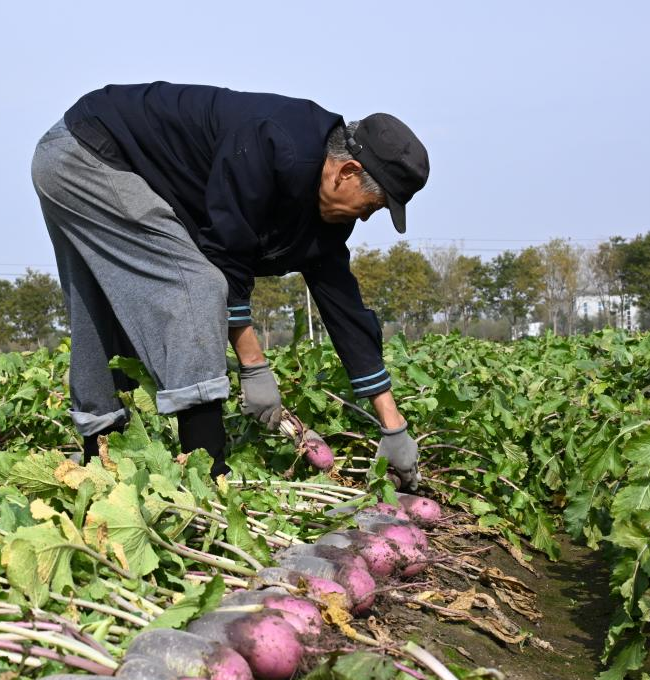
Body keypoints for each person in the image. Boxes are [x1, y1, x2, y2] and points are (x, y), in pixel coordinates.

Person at [30, 82, 428, 489]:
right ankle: (209, 479)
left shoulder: (321, 212)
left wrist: (392, 424)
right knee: (196, 287)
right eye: (374, 206)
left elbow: (344, 306)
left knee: (102, 310)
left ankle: (99, 467)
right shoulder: (275, 140)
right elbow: (225, 253)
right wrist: (254, 367)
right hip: (88, 155)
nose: (365, 220)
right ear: (348, 172)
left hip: (77, 157)